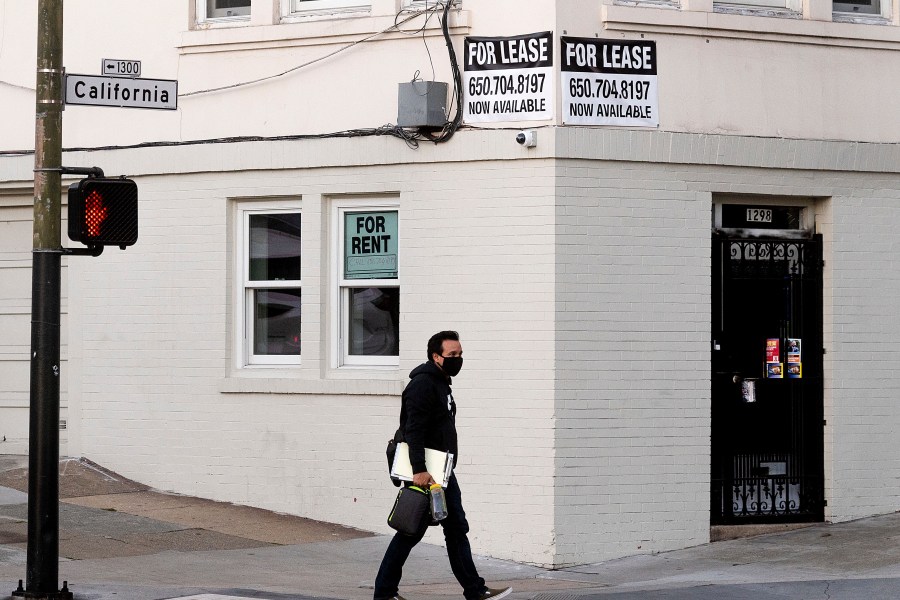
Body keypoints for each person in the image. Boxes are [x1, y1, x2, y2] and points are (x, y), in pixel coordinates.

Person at [374, 331, 511, 600]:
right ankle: (384, 593)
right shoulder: (423, 385)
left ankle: (474, 589)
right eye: (452, 355)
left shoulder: (441, 382)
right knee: (410, 532)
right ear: (436, 356)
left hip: (443, 471)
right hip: (427, 473)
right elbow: (413, 430)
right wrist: (419, 470)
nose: (458, 359)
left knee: (455, 528)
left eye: (460, 354)